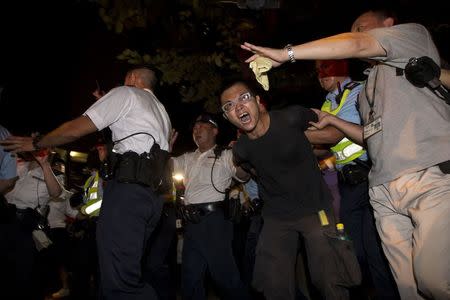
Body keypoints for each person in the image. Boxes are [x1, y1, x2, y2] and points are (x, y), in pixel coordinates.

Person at [241, 8, 450, 300]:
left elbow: (358, 43)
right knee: (408, 289)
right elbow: (369, 135)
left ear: (388, 25)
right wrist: (334, 121)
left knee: (435, 281)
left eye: (362, 27)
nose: (358, 34)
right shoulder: (369, 90)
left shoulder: (412, 37)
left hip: (427, 175)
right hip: (383, 191)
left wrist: (285, 53)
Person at [0, 66, 172, 300]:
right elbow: (136, 141)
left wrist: (38, 142)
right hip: (150, 200)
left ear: (132, 78)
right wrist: (109, 106)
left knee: (121, 286)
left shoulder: (126, 93)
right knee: (122, 276)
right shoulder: (161, 111)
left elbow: (75, 129)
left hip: (127, 196)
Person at [220, 80, 353, 300]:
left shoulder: (291, 117)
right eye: (229, 106)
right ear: (227, 117)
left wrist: (309, 140)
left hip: (315, 208)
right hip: (276, 218)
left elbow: (330, 128)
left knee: (329, 277)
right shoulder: (242, 149)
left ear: (257, 101)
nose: (239, 107)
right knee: (273, 282)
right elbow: (251, 170)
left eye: (244, 98)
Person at [306, 59, 398, 299]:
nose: (320, 74)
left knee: (375, 250)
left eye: (325, 68)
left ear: (340, 67)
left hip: (369, 177)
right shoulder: (327, 102)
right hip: (347, 184)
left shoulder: (358, 90)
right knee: (355, 251)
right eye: (317, 71)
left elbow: (334, 135)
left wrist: (294, 134)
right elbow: (325, 148)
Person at [171, 113, 251, 300]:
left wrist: (242, 156)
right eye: (194, 128)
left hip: (214, 222)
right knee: (190, 280)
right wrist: (165, 148)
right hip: (191, 223)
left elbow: (243, 176)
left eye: (201, 127)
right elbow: (166, 166)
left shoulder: (225, 154)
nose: (196, 131)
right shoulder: (188, 157)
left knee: (225, 277)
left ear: (214, 130)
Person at [2, 148, 63, 299]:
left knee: (23, 273)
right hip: (5, 219)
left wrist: (45, 165)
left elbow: (56, 193)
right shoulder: (17, 166)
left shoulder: (53, 175)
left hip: (25, 226)